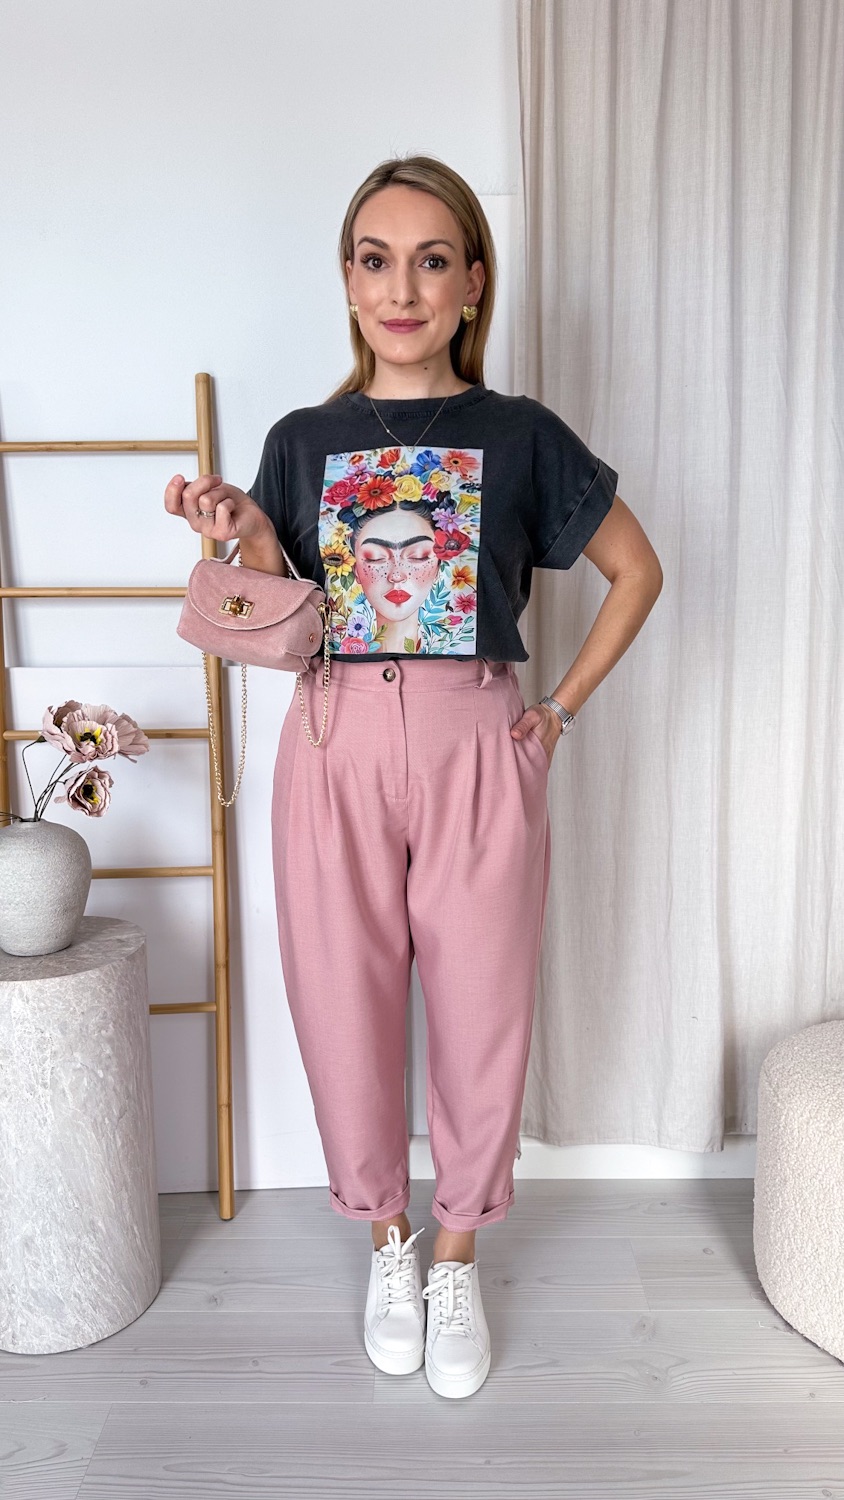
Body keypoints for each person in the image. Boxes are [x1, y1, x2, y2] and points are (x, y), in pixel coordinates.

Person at [164, 153, 663, 1400]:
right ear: (346, 281)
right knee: (340, 1002)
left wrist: (554, 713)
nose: (402, 289)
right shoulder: (302, 441)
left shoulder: (521, 434)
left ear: (472, 282)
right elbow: (286, 620)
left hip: (476, 740)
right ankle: (386, 1240)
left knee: (483, 1011)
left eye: (432, 261)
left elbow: (637, 570)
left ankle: (454, 1256)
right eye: (377, 260)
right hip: (332, 739)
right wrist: (244, 531)